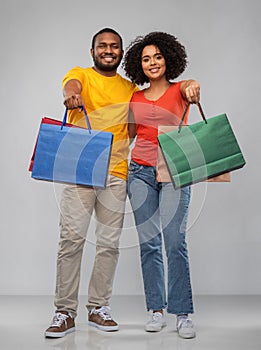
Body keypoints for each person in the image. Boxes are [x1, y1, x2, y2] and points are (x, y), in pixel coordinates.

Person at [45, 28, 138, 338]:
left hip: (116, 174)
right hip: (80, 170)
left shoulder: (130, 89)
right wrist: (71, 96)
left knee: (109, 244)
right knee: (71, 241)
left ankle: (98, 307)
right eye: (102, 46)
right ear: (93, 51)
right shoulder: (80, 75)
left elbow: (134, 129)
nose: (108, 50)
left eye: (114, 46)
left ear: (121, 52)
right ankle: (64, 312)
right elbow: (70, 86)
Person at [122, 32, 200, 339]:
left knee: (174, 241)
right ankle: (156, 310)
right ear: (139, 66)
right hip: (139, 171)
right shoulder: (136, 97)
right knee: (149, 243)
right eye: (146, 59)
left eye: (157, 56)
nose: (152, 62)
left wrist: (194, 87)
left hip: (176, 170)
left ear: (168, 58)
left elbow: (193, 85)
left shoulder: (182, 89)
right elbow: (129, 134)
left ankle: (182, 313)